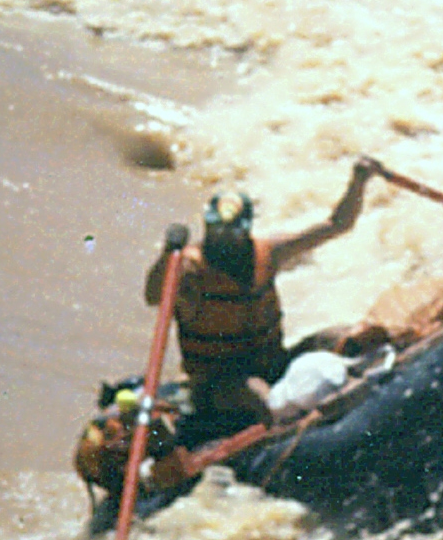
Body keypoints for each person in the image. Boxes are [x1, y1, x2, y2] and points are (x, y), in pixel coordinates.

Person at [147, 158, 379, 423]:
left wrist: (358, 182)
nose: (222, 237)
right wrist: (167, 256)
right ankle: (287, 429)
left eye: (230, 232)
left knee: (344, 335)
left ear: (246, 230)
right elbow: (153, 295)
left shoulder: (269, 252)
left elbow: (337, 224)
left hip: (272, 362)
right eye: (216, 229)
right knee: (258, 393)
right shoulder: (189, 269)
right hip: (218, 384)